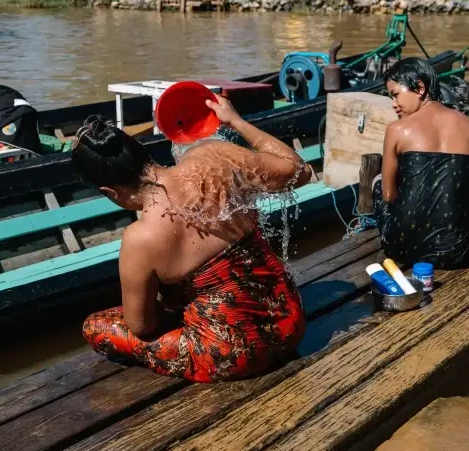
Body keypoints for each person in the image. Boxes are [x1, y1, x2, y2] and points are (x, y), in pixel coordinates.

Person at [72, 96, 312, 383]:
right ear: (143, 153)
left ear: (110, 192)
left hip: (237, 355)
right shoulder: (213, 156)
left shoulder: (140, 238)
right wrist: (236, 121)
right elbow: (298, 171)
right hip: (291, 324)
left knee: (96, 326)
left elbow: (142, 326)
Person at [372, 57, 469, 270]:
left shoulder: (396, 129)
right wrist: (464, 167)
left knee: (379, 182)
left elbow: (389, 196)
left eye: (395, 94)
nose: (393, 104)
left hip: (399, 248)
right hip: (454, 253)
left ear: (420, 88)